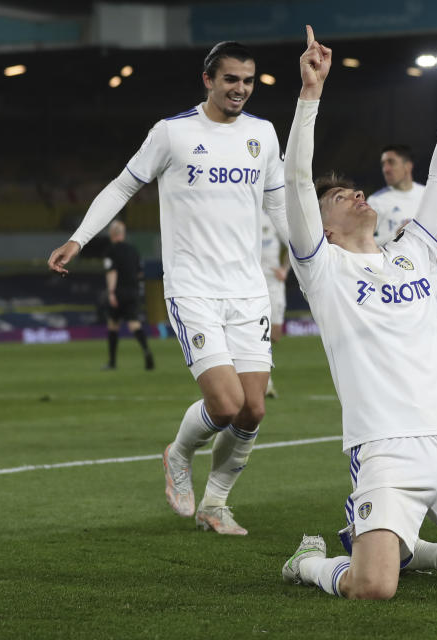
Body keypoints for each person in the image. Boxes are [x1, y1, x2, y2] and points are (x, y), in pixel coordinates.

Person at [280, 26, 437, 599]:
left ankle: (420, 551)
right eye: (337, 195)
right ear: (321, 226)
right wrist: (310, 95)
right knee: (373, 588)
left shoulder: (416, 249)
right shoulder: (322, 269)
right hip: (385, 445)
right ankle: (308, 563)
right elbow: (296, 180)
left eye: (353, 187)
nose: (353, 192)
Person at [48, 41, 287, 535]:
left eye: (248, 80)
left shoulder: (262, 134)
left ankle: (215, 504)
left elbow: (279, 205)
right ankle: (178, 455)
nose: (240, 89)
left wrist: (311, 260)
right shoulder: (173, 133)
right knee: (224, 405)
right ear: (208, 79)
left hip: (247, 289)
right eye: (231, 80)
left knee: (254, 409)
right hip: (193, 286)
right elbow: (122, 186)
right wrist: (78, 239)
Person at [369, 146, 437, 326]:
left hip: (430, 283)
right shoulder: (375, 202)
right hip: (397, 288)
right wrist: (397, 236)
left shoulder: (427, 195)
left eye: (391, 162)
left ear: (408, 166)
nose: (386, 169)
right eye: (383, 164)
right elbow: (365, 246)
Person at [101, 220, 154, 371]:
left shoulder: (110, 251)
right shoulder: (133, 250)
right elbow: (140, 272)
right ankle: (146, 351)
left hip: (118, 292)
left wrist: (111, 292)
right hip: (133, 291)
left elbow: (112, 271)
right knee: (134, 324)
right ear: (123, 234)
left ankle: (112, 362)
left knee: (113, 324)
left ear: (112, 234)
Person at [259, 210, 290, 398]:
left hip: (273, 282)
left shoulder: (274, 215)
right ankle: (264, 382)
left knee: (275, 334)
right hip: (252, 281)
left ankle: (263, 380)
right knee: (257, 333)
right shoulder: (246, 212)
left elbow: (294, 244)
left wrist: (285, 269)